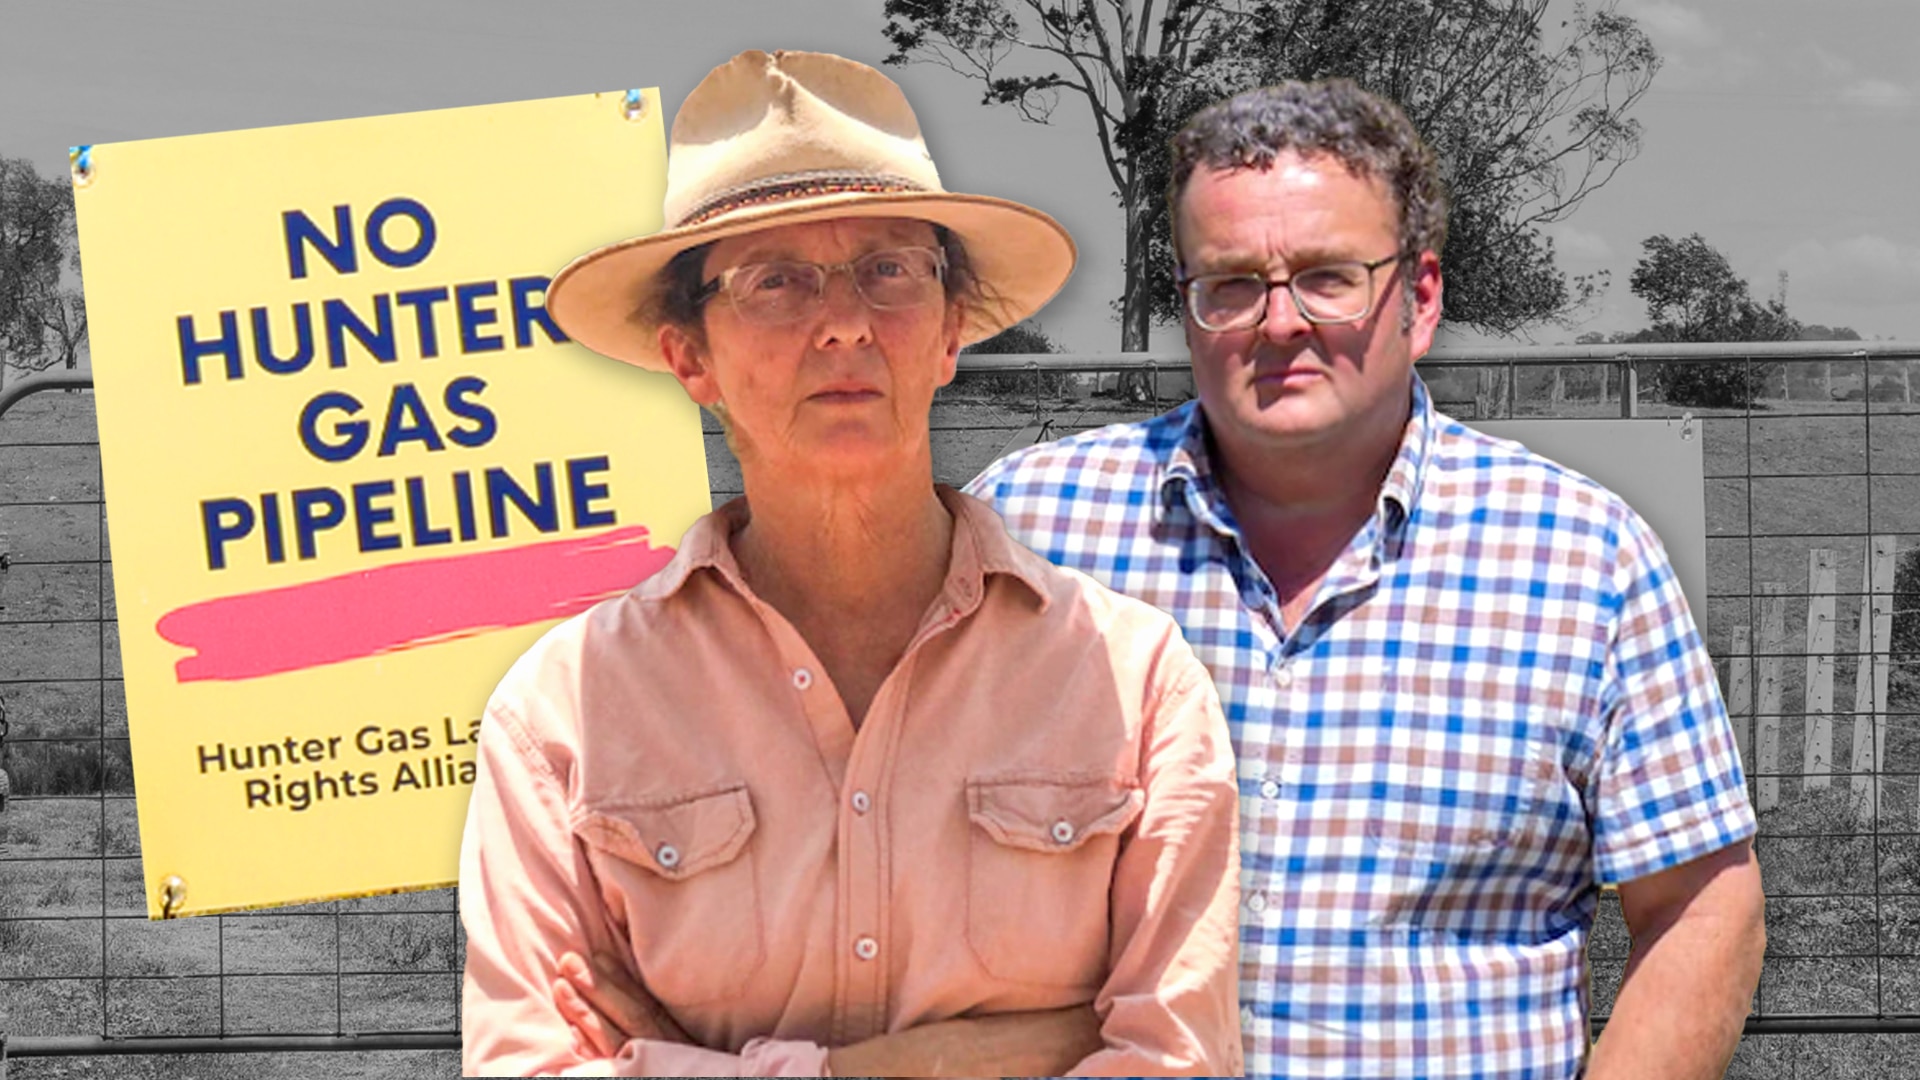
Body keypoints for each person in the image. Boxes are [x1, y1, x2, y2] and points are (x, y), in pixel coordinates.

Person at [457, 49, 1242, 1077]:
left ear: (950, 328)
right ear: (691, 357)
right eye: (776, 281)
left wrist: (686, 1064)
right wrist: (945, 1061)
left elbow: (1175, 1062)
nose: (842, 322)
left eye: (887, 270)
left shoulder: (1133, 684)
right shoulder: (564, 716)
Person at [967, 79, 1766, 1079]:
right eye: (1231, 284)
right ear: (1185, 302)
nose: (1279, 322)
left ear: (1419, 298)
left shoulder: (1581, 557)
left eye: (1329, 277)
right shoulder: (1031, 529)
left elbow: (1702, 902)